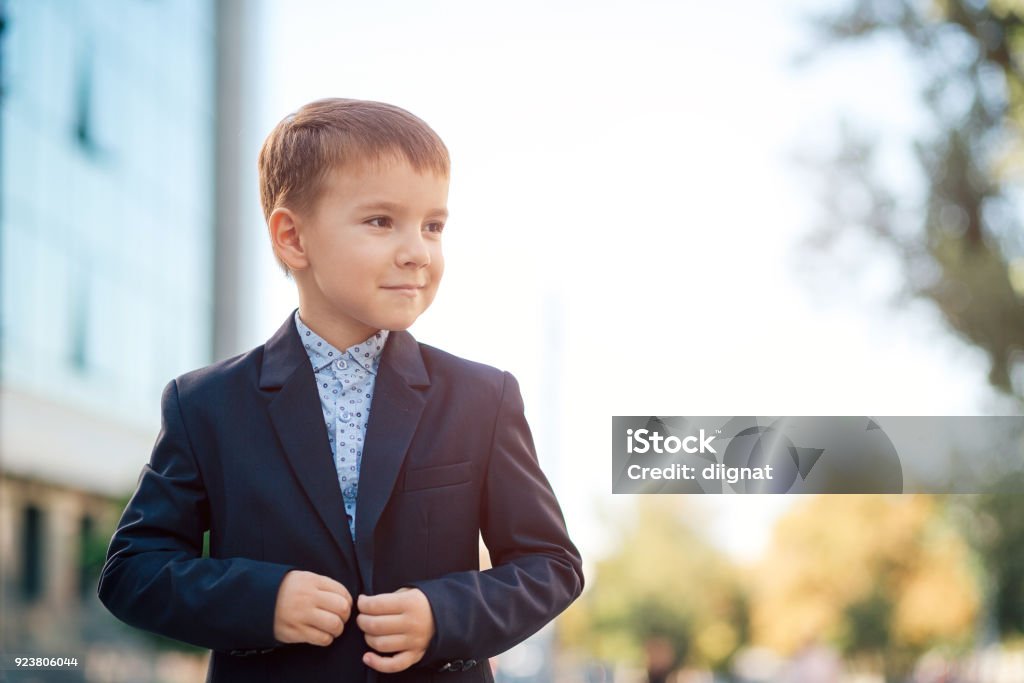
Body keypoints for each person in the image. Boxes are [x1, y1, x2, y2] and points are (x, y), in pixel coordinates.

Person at [97, 98, 584, 682]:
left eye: (433, 226)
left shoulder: (483, 397)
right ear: (292, 238)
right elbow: (132, 571)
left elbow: (551, 564)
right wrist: (263, 600)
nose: (417, 251)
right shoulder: (205, 404)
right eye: (381, 221)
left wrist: (442, 614)